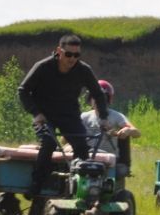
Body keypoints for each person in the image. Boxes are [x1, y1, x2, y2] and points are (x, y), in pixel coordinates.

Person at [18, 34, 108, 198]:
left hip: (69, 115)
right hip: (45, 116)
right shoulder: (43, 66)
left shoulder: (83, 70)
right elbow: (23, 91)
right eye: (69, 54)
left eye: (76, 55)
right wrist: (36, 113)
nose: (72, 58)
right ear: (59, 51)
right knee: (49, 143)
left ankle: (78, 188)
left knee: (81, 146)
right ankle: (36, 184)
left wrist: (103, 117)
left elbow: (98, 93)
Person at [80, 79, 140, 183]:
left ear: (108, 100)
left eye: (102, 98)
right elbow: (66, 139)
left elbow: (137, 133)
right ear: (90, 99)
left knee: (108, 182)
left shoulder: (116, 116)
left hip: (109, 158)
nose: (98, 100)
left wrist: (127, 130)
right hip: (86, 156)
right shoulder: (84, 117)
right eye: (95, 97)